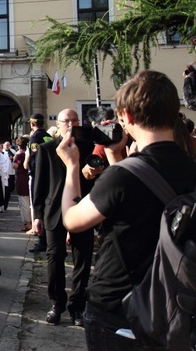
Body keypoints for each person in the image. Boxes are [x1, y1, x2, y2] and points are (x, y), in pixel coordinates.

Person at [57, 70, 196, 349]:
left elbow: (73, 220)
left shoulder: (121, 177)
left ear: (127, 117)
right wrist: (114, 156)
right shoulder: (190, 167)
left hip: (120, 305)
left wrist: (72, 167)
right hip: (176, 302)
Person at [33, 109, 95, 327]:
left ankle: (77, 306)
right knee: (55, 256)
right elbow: (39, 184)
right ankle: (57, 303)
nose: (70, 124)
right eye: (65, 120)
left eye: (74, 120)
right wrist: (37, 215)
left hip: (83, 209)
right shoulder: (46, 149)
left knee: (83, 258)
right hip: (54, 211)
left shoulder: (89, 147)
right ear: (57, 124)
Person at [26, 113, 53, 252]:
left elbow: (35, 158)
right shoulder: (48, 135)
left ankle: (42, 239)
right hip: (50, 175)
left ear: (32, 124)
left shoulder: (34, 137)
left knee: (38, 205)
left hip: (38, 176)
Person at [13, 136, 31, 231]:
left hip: (21, 178)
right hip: (27, 177)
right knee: (28, 201)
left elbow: (15, 166)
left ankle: (28, 223)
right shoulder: (29, 152)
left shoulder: (20, 154)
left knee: (24, 202)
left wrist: (12, 160)